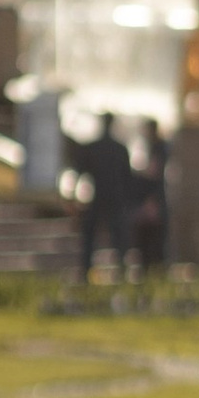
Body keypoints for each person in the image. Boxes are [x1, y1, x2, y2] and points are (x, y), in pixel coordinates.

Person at [77, 113, 138, 283]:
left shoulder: (93, 147)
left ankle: (88, 270)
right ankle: (121, 269)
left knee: (93, 236)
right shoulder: (120, 149)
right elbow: (128, 179)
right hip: (114, 198)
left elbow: (81, 172)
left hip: (100, 197)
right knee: (117, 237)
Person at [133, 122, 171, 275]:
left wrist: (150, 199)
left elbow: (154, 172)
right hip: (157, 197)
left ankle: (155, 270)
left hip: (155, 198)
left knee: (154, 239)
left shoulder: (157, 148)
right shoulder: (159, 147)